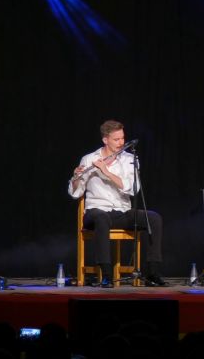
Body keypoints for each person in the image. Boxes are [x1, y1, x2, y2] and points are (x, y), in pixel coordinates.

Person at [68, 120, 165, 287]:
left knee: (154, 218)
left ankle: (152, 273)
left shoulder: (130, 159)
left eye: (122, 138)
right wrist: (76, 177)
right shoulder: (90, 158)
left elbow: (132, 188)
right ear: (105, 140)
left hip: (121, 212)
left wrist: (106, 172)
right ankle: (106, 275)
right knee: (102, 218)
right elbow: (75, 192)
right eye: (116, 139)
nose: (121, 143)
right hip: (96, 212)